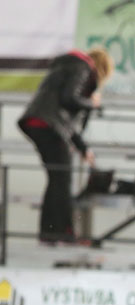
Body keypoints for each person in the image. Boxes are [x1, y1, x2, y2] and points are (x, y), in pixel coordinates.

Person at [18, 47, 113, 244]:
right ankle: (62, 233)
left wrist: (83, 148)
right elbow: (69, 99)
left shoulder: (68, 66)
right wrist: (91, 103)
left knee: (57, 178)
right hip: (47, 124)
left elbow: (67, 119)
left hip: (40, 122)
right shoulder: (83, 67)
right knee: (62, 178)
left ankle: (50, 233)